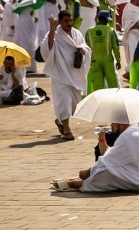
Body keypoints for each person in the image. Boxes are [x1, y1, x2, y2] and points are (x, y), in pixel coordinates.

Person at [54, 122, 139, 192]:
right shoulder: (132, 132)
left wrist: (87, 172)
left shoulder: (129, 136)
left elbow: (106, 162)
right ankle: (81, 180)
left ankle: (80, 183)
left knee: (105, 172)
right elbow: (108, 155)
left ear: (121, 123)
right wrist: (101, 137)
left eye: (114, 123)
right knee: (106, 167)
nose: (111, 126)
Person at [42, 11, 89, 141]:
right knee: (64, 101)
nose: (69, 23)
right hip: (60, 74)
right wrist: (52, 29)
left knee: (74, 105)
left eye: (70, 21)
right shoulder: (54, 34)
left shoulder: (76, 33)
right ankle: (67, 130)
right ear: (60, 22)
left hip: (74, 74)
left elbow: (86, 47)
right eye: (66, 21)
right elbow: (48, 49)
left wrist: (82, 50)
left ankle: (61, 122)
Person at [85, 10, 119, 92]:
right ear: (107, 20)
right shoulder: (110, 31)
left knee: (98, 86)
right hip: (108, 60)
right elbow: (116, 47)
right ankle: (114, 102)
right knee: (113, 84)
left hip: (94, 61)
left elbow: (86, 47)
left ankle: (100, 103)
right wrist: (118, 60)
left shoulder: (89, 31)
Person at [119, 0, 139, 80]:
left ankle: (131, 73)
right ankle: (131, 73)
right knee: (133, 55)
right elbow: (129, 25)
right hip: (132, 36)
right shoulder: (129, 8)